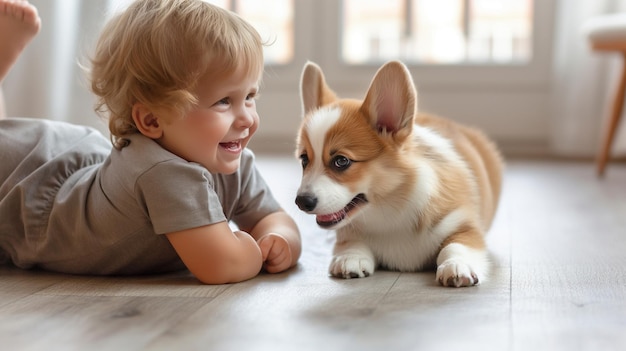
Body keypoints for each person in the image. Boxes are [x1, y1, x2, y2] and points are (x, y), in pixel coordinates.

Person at [0, 0, 301, 284]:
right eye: (223, 102)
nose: (247, 118)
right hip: (34, 191)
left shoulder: (234, 165)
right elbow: (224, 264)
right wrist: (251, 250)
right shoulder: (161, 173)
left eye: (249, 97)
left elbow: (273, 218)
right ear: (152, 121)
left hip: (82, 171)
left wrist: (278, 239)